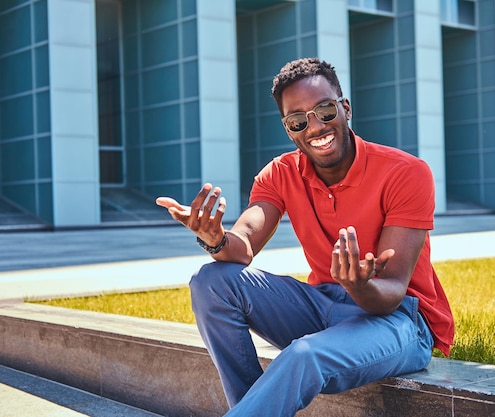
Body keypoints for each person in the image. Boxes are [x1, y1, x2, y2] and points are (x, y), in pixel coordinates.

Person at [156, 57, 454, 416]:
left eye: (325, 111)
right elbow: (245, 242)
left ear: (345, 109)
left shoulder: (405, 173)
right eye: (298, 120)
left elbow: (390, 294)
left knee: (303, 354)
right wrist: (216, 238)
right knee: (210, 281)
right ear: (289, 129)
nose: (315, 127)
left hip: (399, 322)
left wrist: (359, 285)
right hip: (323, 305)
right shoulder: (280, 173)